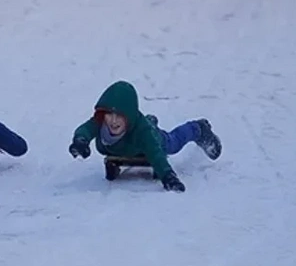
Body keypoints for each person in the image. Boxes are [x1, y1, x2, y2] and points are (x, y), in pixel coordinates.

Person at [69, 80, 222, 192]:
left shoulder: (143, 132)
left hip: (150, 141)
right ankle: (151, 120)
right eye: (109, 115)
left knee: (172, 143)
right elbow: (86, 129)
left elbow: (156, 155)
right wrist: (80, 141)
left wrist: (168, 176)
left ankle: (198, 128)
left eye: (119, 116)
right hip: (129, 146)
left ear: (129, 116)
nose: (113, 121)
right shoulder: (101, 122)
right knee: (148, 127)